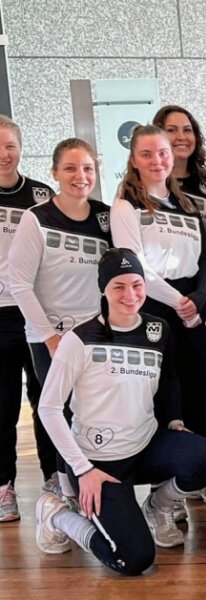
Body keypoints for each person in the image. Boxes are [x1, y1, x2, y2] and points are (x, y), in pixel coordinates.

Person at [33, 248, 206, 574]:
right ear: (103, 289)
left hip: (145, 446)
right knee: (133, 559)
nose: (130, 294)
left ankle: (158, 505)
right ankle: (58, 516)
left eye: (136, 284)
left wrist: (175, 420)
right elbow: (49, 409)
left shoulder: (158, 329)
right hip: (98, 464)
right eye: (119, 286)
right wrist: (82, 470)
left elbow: (169, 379)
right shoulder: (79, 340)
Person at [9, 138, 112, 507]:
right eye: (70, 168)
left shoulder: (105, 217)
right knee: (59, 413)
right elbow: (17, 282)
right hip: (50, 337)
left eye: (87, 168)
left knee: (92, 410)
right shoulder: (37, 218)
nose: (79, 176)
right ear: (54, 173)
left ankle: (95, 483)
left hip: (97, 337)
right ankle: (67, 493)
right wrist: (51, 337)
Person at [110, 125, 206, 442]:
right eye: (147, 153)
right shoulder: (125, 205)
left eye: (163, 153)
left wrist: (196, 300)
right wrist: (179, 303)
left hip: (193, 309)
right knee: (163, 391)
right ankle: (165, 480)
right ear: (134, 160)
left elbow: (204, 259)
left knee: (197, 385)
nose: (156, 160)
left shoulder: (187, 205)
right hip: (156, 307)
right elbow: (135, 265)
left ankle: (201, 469)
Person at [0, 116, 55, 522]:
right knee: (2, 405)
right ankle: (4, 486)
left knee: (46, 399)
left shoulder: (40, 195)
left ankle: (56, 478)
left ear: (21, 146)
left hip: (37, 311)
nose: (4, 155)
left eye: (10, 145)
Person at [153, 105, 206, 351]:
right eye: (171, 130)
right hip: (164, 289)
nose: (181, 137)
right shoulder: (148, 185)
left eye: (187, 130)